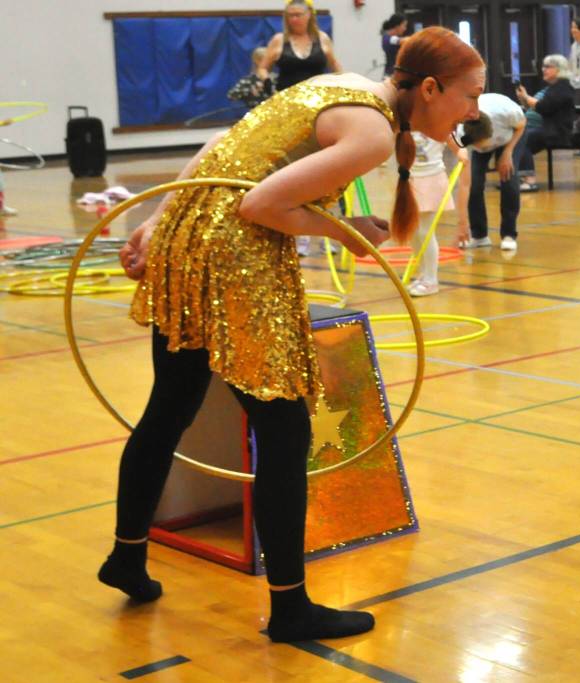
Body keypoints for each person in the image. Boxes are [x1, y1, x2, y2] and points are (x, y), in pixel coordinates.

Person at [102, 26, 484, 643]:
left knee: (169, 408)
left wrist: (160, 218)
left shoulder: (343, 84)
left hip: (192, 236)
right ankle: (289, 609)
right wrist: (344, 234)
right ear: (433, 88)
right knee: (284, 430)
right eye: (470, 96)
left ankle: (126, 554)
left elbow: (224, 146)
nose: (472, 111)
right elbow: (259, 205)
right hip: (238, 256)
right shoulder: (374, 130)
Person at [459, 93, 527, 251]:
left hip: (511, 137)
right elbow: (464, 179)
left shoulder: (505, 112)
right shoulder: (461, 130)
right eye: (478, 146)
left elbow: (522, 124)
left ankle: (509, 234)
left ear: (490, 133)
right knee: (474, 184)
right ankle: (479, 235)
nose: (483, 148)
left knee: (509, 180)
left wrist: (507, 152)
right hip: (484, 137)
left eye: (484, 144)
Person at [406, 131, 469, 296]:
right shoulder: (405, 121)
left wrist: (460, 151)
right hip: (410, 179)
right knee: (413, 231)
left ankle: (431, 280)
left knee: (425, 231)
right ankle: (423, 273)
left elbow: (453, 139)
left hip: (432, 178)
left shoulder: (438, 122)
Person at [515, 55, 575, 193]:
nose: (544, 69)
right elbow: (538, 107)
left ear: (559, 70)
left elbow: (545, 107)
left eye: (548, 67)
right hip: (548, 129)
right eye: (543, 66)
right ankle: (516, 178)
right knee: (516, 137)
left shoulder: (563, 87)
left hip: (558, 131)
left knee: (522, 139)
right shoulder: (553, 88)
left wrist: (526, 98)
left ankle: (529, 180)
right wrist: (524, 99)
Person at [258, 0, 343, 92]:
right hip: (287, 97)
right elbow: (262, 68)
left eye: (298, 15)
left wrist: (342, 82)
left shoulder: (322, 38)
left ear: (309, 15)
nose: (294, 19)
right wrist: (266, 81)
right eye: (290, 15)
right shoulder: (278, 40)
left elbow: (334, 65)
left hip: (317, 96)